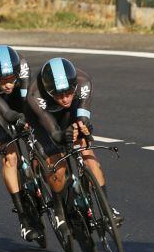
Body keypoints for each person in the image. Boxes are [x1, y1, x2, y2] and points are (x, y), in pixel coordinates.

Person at [26, 57, 118, 236]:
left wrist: (83, 123)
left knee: (88, 154)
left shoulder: (84, 81)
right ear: (48, 91)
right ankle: (59, 211)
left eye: (68, 92)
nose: (65, 98)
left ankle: (107, 210)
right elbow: (54, 133)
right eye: (58, 94)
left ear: (74, 85)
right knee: (57, 165)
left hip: (69, 115)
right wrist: (62, 136)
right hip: (43, 122)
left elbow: (82, 113)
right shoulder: (34, 94)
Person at [0, 45, 42, 242]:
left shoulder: (23, 65)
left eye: (11, 78)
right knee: (10, 157)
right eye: (3, 80)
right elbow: (6, 112)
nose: (8, 84)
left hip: (17, 100)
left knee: (35, 133)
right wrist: (16, 118)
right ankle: (23, 219)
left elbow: (26, 101)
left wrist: (28, 121)